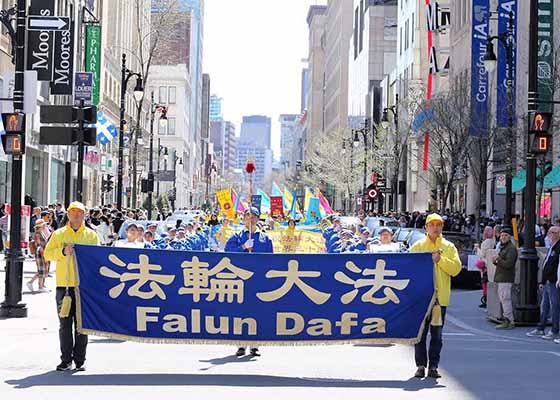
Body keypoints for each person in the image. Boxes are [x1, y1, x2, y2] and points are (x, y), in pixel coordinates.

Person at [43, 201, 99, 371]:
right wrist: (62, 252)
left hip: (84, 288)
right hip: (64, 287)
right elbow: (47, 254)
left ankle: (80, 360)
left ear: (84, 215)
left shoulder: (91, 235)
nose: (76, 215)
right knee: (65, 325)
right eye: (73, 212)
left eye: (79, 212)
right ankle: (66, 359)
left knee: (82, 326)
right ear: (68, 214)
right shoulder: (59, 234)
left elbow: (97, 258)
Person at [410, 213, 461, 379]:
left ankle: (433, 366)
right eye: (432, 225)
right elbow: (408, 269)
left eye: (438, 225)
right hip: (421, 299)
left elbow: (455, 269)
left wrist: (440, 260)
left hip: (440, 299)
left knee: (437, 335)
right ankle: (420, 365)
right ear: (426, 227)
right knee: (420, 334)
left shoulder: (449, 247)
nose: (435, 228)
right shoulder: (417, 246)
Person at [225, 207, 273, 357]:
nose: (250, 219)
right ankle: (240, 344)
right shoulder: (236, 237)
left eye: (253, 216)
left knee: (257, 313)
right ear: (243, 219)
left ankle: (254, 344)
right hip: (240, 281)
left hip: (258, 280)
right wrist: (243, 247)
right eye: (247, 216)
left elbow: (271, 260)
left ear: (258, 219)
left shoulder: (265, 239)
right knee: (240, 312)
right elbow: (227, 254)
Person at [527, 226, 560, 340]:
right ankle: (541, 327)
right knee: (544, 304)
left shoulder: (558, 247)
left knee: (554, 305)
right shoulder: (552, 246)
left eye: (553, 232)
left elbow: (555, 266)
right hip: (548, 280)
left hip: (553, 281)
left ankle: (555, 330)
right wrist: (542, 280)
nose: (551, 234)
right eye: (550, 232)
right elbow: (546, 264)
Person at [492, 226, 518, 330]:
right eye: (502, 235)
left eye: (505, 235)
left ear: (510, 237)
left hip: (506, 278)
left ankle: (509, 321)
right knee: (503, 299)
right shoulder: (504, 247)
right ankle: (506, 320)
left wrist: (498, 259)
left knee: (505, 299)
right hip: (501, 277)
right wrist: (495, 261)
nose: (503, 237)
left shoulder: (511, 249)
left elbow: (509, 264)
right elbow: (502, 262)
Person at [26, 219, 52, 293]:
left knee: (43, 270)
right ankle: (36, 285)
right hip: (41, 253)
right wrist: (45, 255)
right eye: (43, 225)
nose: (45, 226)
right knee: (41, 271)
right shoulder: (38, 234)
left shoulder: (40, 232)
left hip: (43, 252)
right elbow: (39, 246)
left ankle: (39, 285)